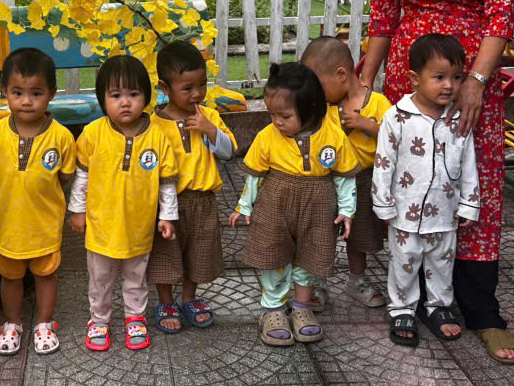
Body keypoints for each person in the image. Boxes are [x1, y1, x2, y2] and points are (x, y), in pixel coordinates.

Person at [360, 0, 514, 365]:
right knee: (410, 184)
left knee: (473, 185)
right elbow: (383, 16)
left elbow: (500, 16)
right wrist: (365, 81)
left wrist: (476, 80)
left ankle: (481, 310)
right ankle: (412, 298)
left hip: (470, 84)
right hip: (409, 83)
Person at [229, 63, 358, 347]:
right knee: (273, 256)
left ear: (311, 109)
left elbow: (344, 177)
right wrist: (244, 206)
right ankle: (274, 310)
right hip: (275, 206)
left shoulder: (333, 135)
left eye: (285, 116)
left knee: (311, 256)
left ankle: (301, 307)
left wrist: (347, 211)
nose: (276, 121)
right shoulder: (267, 136)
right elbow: (254, 177)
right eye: (272, 114)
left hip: (319, 208)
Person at [372, 34, 481, 347]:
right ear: (414, 78)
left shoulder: (458, 119)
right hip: (404, 214)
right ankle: (402, 309)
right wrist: (383, 203)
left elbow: (469, 162)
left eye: (456, 78)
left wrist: (469, 204)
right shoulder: (397, 117)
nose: (449, 86)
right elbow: (384, 163)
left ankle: (438, 306)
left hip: (445, 213)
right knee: (404, 263)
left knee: (442, 264)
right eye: (439, 77)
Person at [68, 55, 179, 352]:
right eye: (116, 95)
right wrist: (77, 210)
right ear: (102, 99)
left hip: (139, 226)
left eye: (133, 94)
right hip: (101, 227)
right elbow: (82, 176)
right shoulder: (93, 133)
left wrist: (167, 216)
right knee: (100, 279)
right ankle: (99, 320)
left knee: (136, 277)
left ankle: (135, 318)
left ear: (146, 96)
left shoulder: (158, 136)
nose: (125, 102)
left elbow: (167, 182)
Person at [0, 48, 76, 356]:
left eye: (36, 93)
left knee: (46, 275)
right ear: (4, 91)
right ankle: (13, 323)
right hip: (8, 226)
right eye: (17, 92)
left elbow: (64, 176)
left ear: (52, 94)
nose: (26, 101)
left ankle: (44, 324)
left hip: (44, 226)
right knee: (10, 277)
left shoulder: (61, 137)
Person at [149, 41, 237, 333]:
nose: (197, 93)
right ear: (165, 87)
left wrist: (210, 130)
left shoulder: (210, 117)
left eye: (202, 84)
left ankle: (189, 298)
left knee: (199, 253)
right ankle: (165, 301)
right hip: (166, 204)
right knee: (164, 255)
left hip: (202, 201)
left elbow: (229, 152)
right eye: (187, 88)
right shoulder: (153, 124)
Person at [302, 35, 391, 309]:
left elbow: (396, 139)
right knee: (321, 233)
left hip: (364, 180)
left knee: (359, 235)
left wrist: (369, 126)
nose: (315, 93)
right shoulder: (325, 108)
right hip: (329, 181)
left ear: (341, 74)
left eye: (319, 86)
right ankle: (318, 282)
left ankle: (357, 280)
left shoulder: (377, 103)